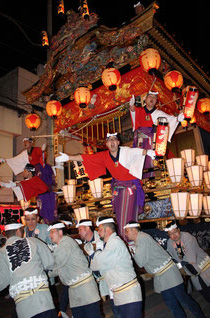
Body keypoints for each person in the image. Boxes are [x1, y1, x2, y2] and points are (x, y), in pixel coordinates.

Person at [55, 132, 155, 239]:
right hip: (118, 189)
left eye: (114, 140)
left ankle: (129, 240)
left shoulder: (125, 151)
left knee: (128, 216)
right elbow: (87, 158)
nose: (112, 143)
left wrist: (148, 152)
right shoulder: (105, 156)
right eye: (109, 140)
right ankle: (123, 239)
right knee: (120, 217)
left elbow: (136, 152)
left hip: (129, 188)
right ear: (106, 144)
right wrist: (68, 157)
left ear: (118, 142)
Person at [124, 221, 205, 318]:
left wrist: (131, 252)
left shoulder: (142, 239)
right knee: (173, 305)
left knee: (184, 301)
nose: (125, 234)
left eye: (127, 231)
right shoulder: (139, 239)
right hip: (162, 275)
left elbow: (140, 262)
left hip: (169, 274)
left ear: (134, 230)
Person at [85, 216, 142, 318]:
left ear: (107, 230)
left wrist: (94, 253)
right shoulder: (108, 244)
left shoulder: (115, 242)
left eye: (100, 229)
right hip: (120, 294)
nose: (98, 232)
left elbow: (100, 263)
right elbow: (96, 267)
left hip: (129, 294)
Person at [0, 220, 57, 318]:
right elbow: (50, 263)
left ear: (6, 234)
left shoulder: (2, 252)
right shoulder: (33, 241)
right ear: (18, 231)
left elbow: (2, 281)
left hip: (25, 308)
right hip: (43, 301)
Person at [47, 222, 102, 318]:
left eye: (52, 231)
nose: (50, 235)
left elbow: (56, 263)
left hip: (85, 289)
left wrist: (43, 271)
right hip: (74, 292)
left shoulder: (66, 242)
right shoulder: (61, 246)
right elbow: (57, 269)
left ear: (60, 232)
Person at [129, 91, 184, 177]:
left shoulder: (159, 113)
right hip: (139, 143)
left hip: (152, 143)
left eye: (155, 98)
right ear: (145, 99)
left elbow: (171, 120)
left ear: (156, 101)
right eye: (150, 97)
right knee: (138, 165)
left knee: (151, 164)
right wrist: (131, 105)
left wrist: (178, 119)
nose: (152, 99)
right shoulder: (139, 110)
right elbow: (133, 110)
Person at [77, 219, 121, 318]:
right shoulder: (81, 244)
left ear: (88, 228)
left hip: (110, 277)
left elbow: (103, 262)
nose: (78, 232)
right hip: (94, 279)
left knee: (116, 305)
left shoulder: (102, 240)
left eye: (80, 229)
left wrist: (93, 254)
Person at [165, 221, 210, 303]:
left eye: (175, 232)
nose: (174, 235)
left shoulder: (187, 237)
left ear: (178, 230)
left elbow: (190, 258)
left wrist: (177, 266)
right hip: (194, 274)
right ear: (168, 235)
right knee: (206, 296)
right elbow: (171, 256)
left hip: (205, 268)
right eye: (171, 234)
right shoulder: (169, 243)